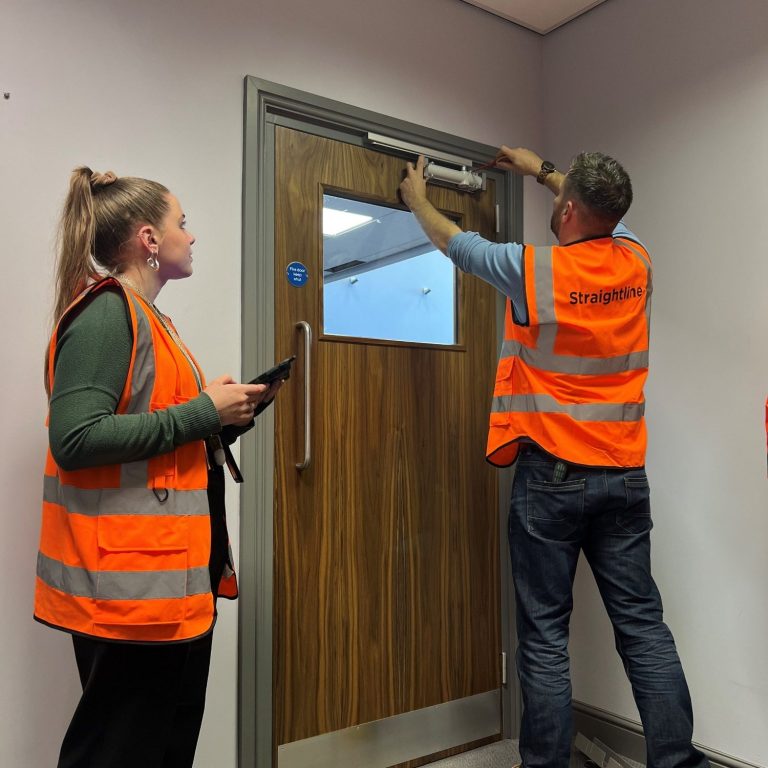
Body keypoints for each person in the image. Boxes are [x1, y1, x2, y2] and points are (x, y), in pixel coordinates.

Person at [399, 149, 709, 768]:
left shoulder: (531, 271)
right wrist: (539, 168)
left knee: (544, 637)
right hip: (623, 478)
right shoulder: (636, 258)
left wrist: (416, 199)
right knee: (644, 628)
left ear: (568, 211)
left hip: (552, 482)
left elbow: (456, 244)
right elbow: (599, 207)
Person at [35, 167, 281, 768]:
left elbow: (160, 433)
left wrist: (222, 414)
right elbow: (77, 438)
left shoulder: (154, 322)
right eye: (181, 223)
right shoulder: (105, 316)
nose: (190, 236)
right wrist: (202, 411)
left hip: (168, 587)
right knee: (117, 754)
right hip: (127, 596)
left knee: (162, 750)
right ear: (149, 239)